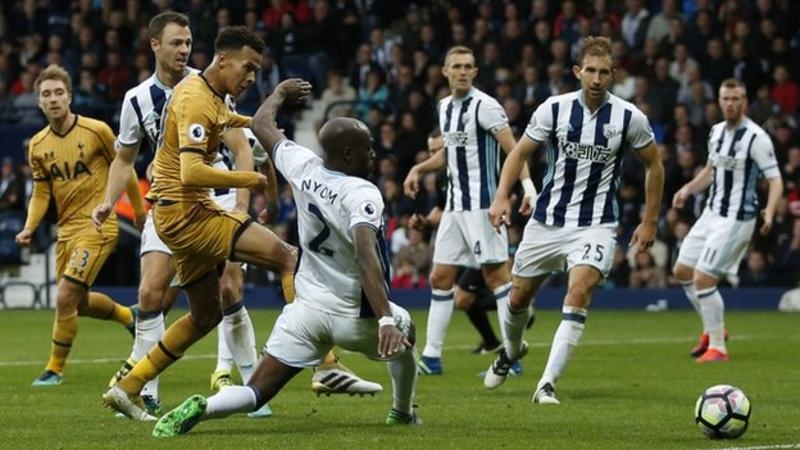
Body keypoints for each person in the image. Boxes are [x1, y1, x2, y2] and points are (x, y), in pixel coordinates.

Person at [94, 15, 377, 416]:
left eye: (256, 71)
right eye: (247, 68)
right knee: (288, 258)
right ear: (223, 59)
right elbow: (192, 172)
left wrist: (265, 125)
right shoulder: (194, 97)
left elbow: (229, 121)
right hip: (190, 214)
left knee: (206, 314)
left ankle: (129, 386)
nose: (250, 77)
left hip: (178, 215)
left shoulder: (208, 92)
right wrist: (252, 180)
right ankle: (325, 365)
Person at [151, 81, 419, 437]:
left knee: (257, 391)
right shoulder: (362, 192)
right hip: (355, 317)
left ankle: (206, 407)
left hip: (305, 311)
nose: (374, 154)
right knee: (407, 332)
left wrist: (278, 94)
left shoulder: (302, 165)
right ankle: (402, 412)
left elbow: (262, 125)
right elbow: (367, 256)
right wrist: (385, 318)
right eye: (368, 148)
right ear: (350, 154)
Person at [486, 36, 664, 404]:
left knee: (579, 290)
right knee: (518, 300)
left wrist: (649, 220)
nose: (596, 79)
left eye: (604, 72)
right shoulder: (554, 109)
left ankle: (546, 383)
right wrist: (503, 196)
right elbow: (519, 153)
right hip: (548, 220)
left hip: (596, 224)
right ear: (577, 72)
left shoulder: (630, 117)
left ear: (613, 75)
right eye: (590, 71)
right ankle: (512, 349)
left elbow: (654, 164)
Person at [403, 45, 535, 375]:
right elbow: (450, 154)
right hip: (454, 209)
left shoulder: (486, 106)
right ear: (445, 71)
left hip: (483, 206)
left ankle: (511, 356)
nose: (462, 71)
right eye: (456, 66)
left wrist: (526, 187)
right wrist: (419, 168)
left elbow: (515, 151)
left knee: (496, 276)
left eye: (468, 66)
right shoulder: (444, 107)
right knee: (440, 277)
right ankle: (432, 357)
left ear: (475, 72)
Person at [15, 64, 146, 386]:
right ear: (39, 102)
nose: (54, 98)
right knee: (79, 302)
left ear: (70, 97)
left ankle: (54, 369)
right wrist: (30, 225)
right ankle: (130, 317)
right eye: (46, 94)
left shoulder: (96, 130)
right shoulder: (37, 145)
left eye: (59, 92)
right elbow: (42, 190)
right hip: (67, 230)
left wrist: (140, 213)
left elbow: (125, 166)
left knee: (63, 297)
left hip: (98, 224)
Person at [672, 78, 783, 362]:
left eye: (736, 99)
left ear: (744, 102)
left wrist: (770, 211)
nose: (731, 104)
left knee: (704, 278)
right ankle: (712, 329)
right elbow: (711, 169)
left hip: (737, 218)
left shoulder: (756, 138)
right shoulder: (717, 132)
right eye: (726, 99)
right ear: (719, 102)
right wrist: (687, 188)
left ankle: (718, 348)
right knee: (682, 270)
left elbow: (775, 180)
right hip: (712, 212)